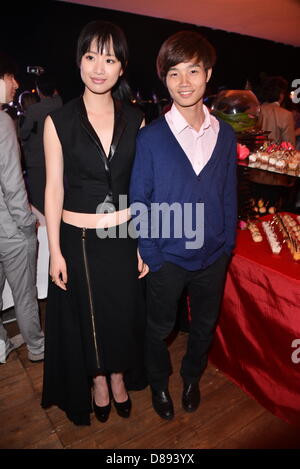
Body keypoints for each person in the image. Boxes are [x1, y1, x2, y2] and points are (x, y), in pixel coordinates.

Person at [41, 20, 148, 426]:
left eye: (109, 58)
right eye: (90, 57)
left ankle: (119, 376)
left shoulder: (137, 119)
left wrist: (144, 243)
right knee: (88, 318)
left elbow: (143, 188)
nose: (99, 67)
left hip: (124, 236)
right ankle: (99, 382)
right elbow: (53, 190)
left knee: (122, 314)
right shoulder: (59, 122)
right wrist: (54, 251)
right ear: (79, 62)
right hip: (78, 240)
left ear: (122, 67)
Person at [130, 30, 237, 420]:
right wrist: (151, 253)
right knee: (158, 329)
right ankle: (160, 385)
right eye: (174, 73)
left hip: (213, 256)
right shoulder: (152, 138)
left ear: (208, 73)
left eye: (193, 70)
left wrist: (227, 244)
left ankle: (191, 378)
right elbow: (139, 200)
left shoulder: (224, 134)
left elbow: (228, 193)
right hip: (167, 259)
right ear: (165, 79)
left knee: (204, 327)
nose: (184, 81)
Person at [0, 52, 45, 364]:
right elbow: (12, 182)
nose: (15, 84)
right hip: (11, 230)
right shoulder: (2, 122)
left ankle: (2, 343)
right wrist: (28, 223)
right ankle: (39, 349)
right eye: (10, 77)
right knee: (25, 295)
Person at [19, 72, 62, 213]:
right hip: (57, 160)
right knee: (57, 198)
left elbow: (24, 134)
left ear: (38, 89)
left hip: (36, 161)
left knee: (39, 200)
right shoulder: (60, 105)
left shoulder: (33, 111)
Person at [258, 76, 296, 146]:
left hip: (254, 155)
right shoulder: (286, 115)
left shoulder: (256, 111)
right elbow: (289, 146)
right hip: (275, 155)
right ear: (281, 95)